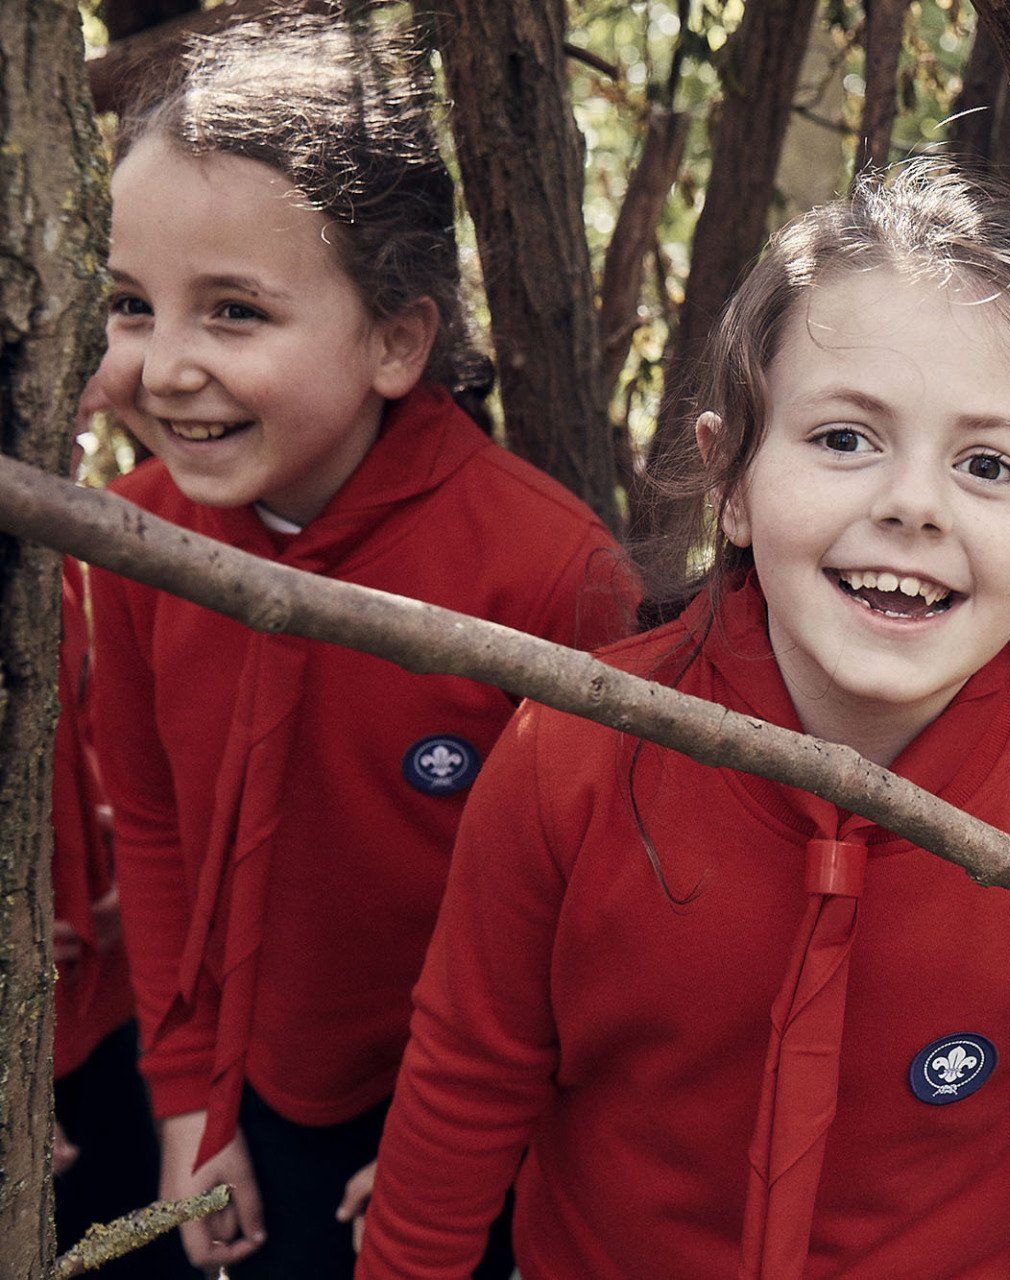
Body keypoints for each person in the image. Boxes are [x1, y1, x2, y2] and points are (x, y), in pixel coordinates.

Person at [358, 162, 1010, 1279]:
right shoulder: (567, 760)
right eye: (846, 439)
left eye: (988, 464)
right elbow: (468, 1078)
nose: (912, 503)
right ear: (732, 480)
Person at [80, 19, 625, 1278]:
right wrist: (187, 1104)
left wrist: (484, 1140)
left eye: (233, 310)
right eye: (130, 305)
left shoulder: (546, 573)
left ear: (396, 338)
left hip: (476, 1129)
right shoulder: (143, 543)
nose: (166, 366)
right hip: (248, 1101)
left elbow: (602, 923)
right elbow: (153, 824)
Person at [52, 562, 196, 1280]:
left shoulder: (56, 566)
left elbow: (86, 720)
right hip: (30, 1053)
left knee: (144, 1253)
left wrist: (116, 869)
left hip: (100, 1003)